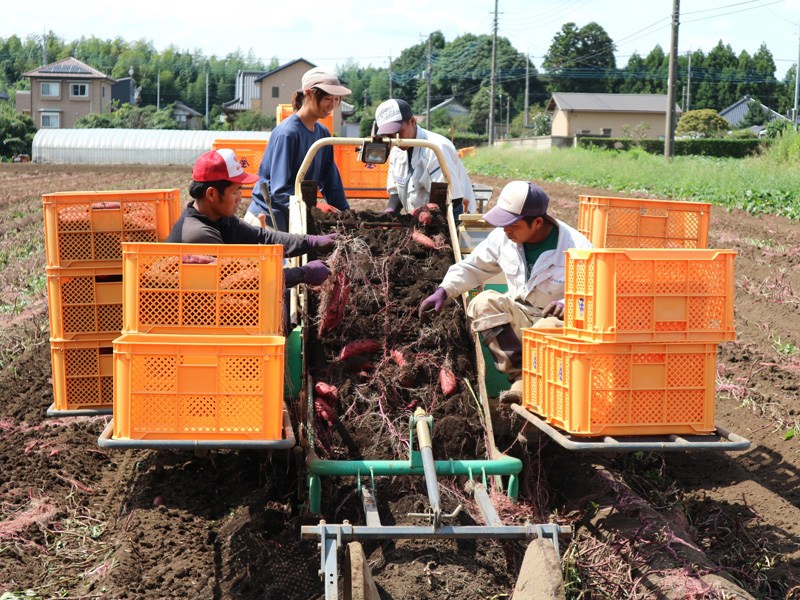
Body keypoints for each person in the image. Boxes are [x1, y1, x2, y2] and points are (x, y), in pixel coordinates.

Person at [418, 181, 593, 402]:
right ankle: (521, 377)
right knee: (484, 303)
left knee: (545, 327)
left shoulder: (578, 248)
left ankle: (540, 385)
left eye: (513, 224)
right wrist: (443, 290)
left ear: (537, 222)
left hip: (560, 329)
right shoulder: (504, 238)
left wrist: (568, 305)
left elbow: (598, 296)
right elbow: (473, 266)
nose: (506, 230)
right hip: (521, 315)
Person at [168, 148, 336, 289]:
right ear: (211, 193)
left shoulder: (216, 217)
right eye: (235, 192)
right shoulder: (198, 235)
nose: (240, 198)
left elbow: (261, 236)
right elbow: (244, 281)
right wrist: (303, 273)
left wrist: (312, 242)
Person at [246, 66, 352, 232]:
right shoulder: (287, 133)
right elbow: (280, 191)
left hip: (295, 219)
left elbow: (331, 182)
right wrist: (315, 207)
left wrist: (347, 215)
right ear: (308, 94)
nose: (332, 105)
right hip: (268, 221)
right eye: (327, 98)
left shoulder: (322, 134)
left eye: (336, 99)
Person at [374, 98, 475, 218]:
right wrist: (390, 212)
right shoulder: (396, 150)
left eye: (398, 133)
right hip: (421, 218)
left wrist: (419, 217)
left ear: (412, 121)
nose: (395, 140)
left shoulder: (436, 148)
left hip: (453, 214)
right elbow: (397, 190)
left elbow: (452, 199)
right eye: (389, 136)